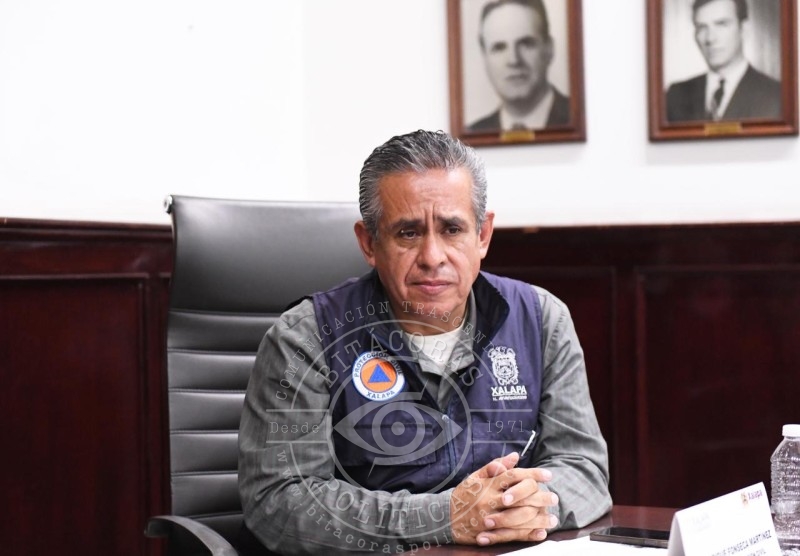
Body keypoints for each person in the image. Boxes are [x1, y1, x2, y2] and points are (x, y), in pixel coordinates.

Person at [238, 130, 611, 555]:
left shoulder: (541, 320)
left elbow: (584, 470)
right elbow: (280, 501)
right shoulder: (306, 336)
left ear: (483, 235)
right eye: (408, 233)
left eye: (452, 229)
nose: (433, 257)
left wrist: (524, 505)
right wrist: (445, 517)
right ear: (369, 243)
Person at [665, 0, 782, 122]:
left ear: (743, 29)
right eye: (701, 27)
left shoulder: (776, 96)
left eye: (721, 24)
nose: (710, 38)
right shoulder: (675, 95)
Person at [467, 0, 570, 132]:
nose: (514, 60)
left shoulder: (583, 118)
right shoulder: (473, 133)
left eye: (526, 44)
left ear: (549, 49)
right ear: (484, 56)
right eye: (499, 48)